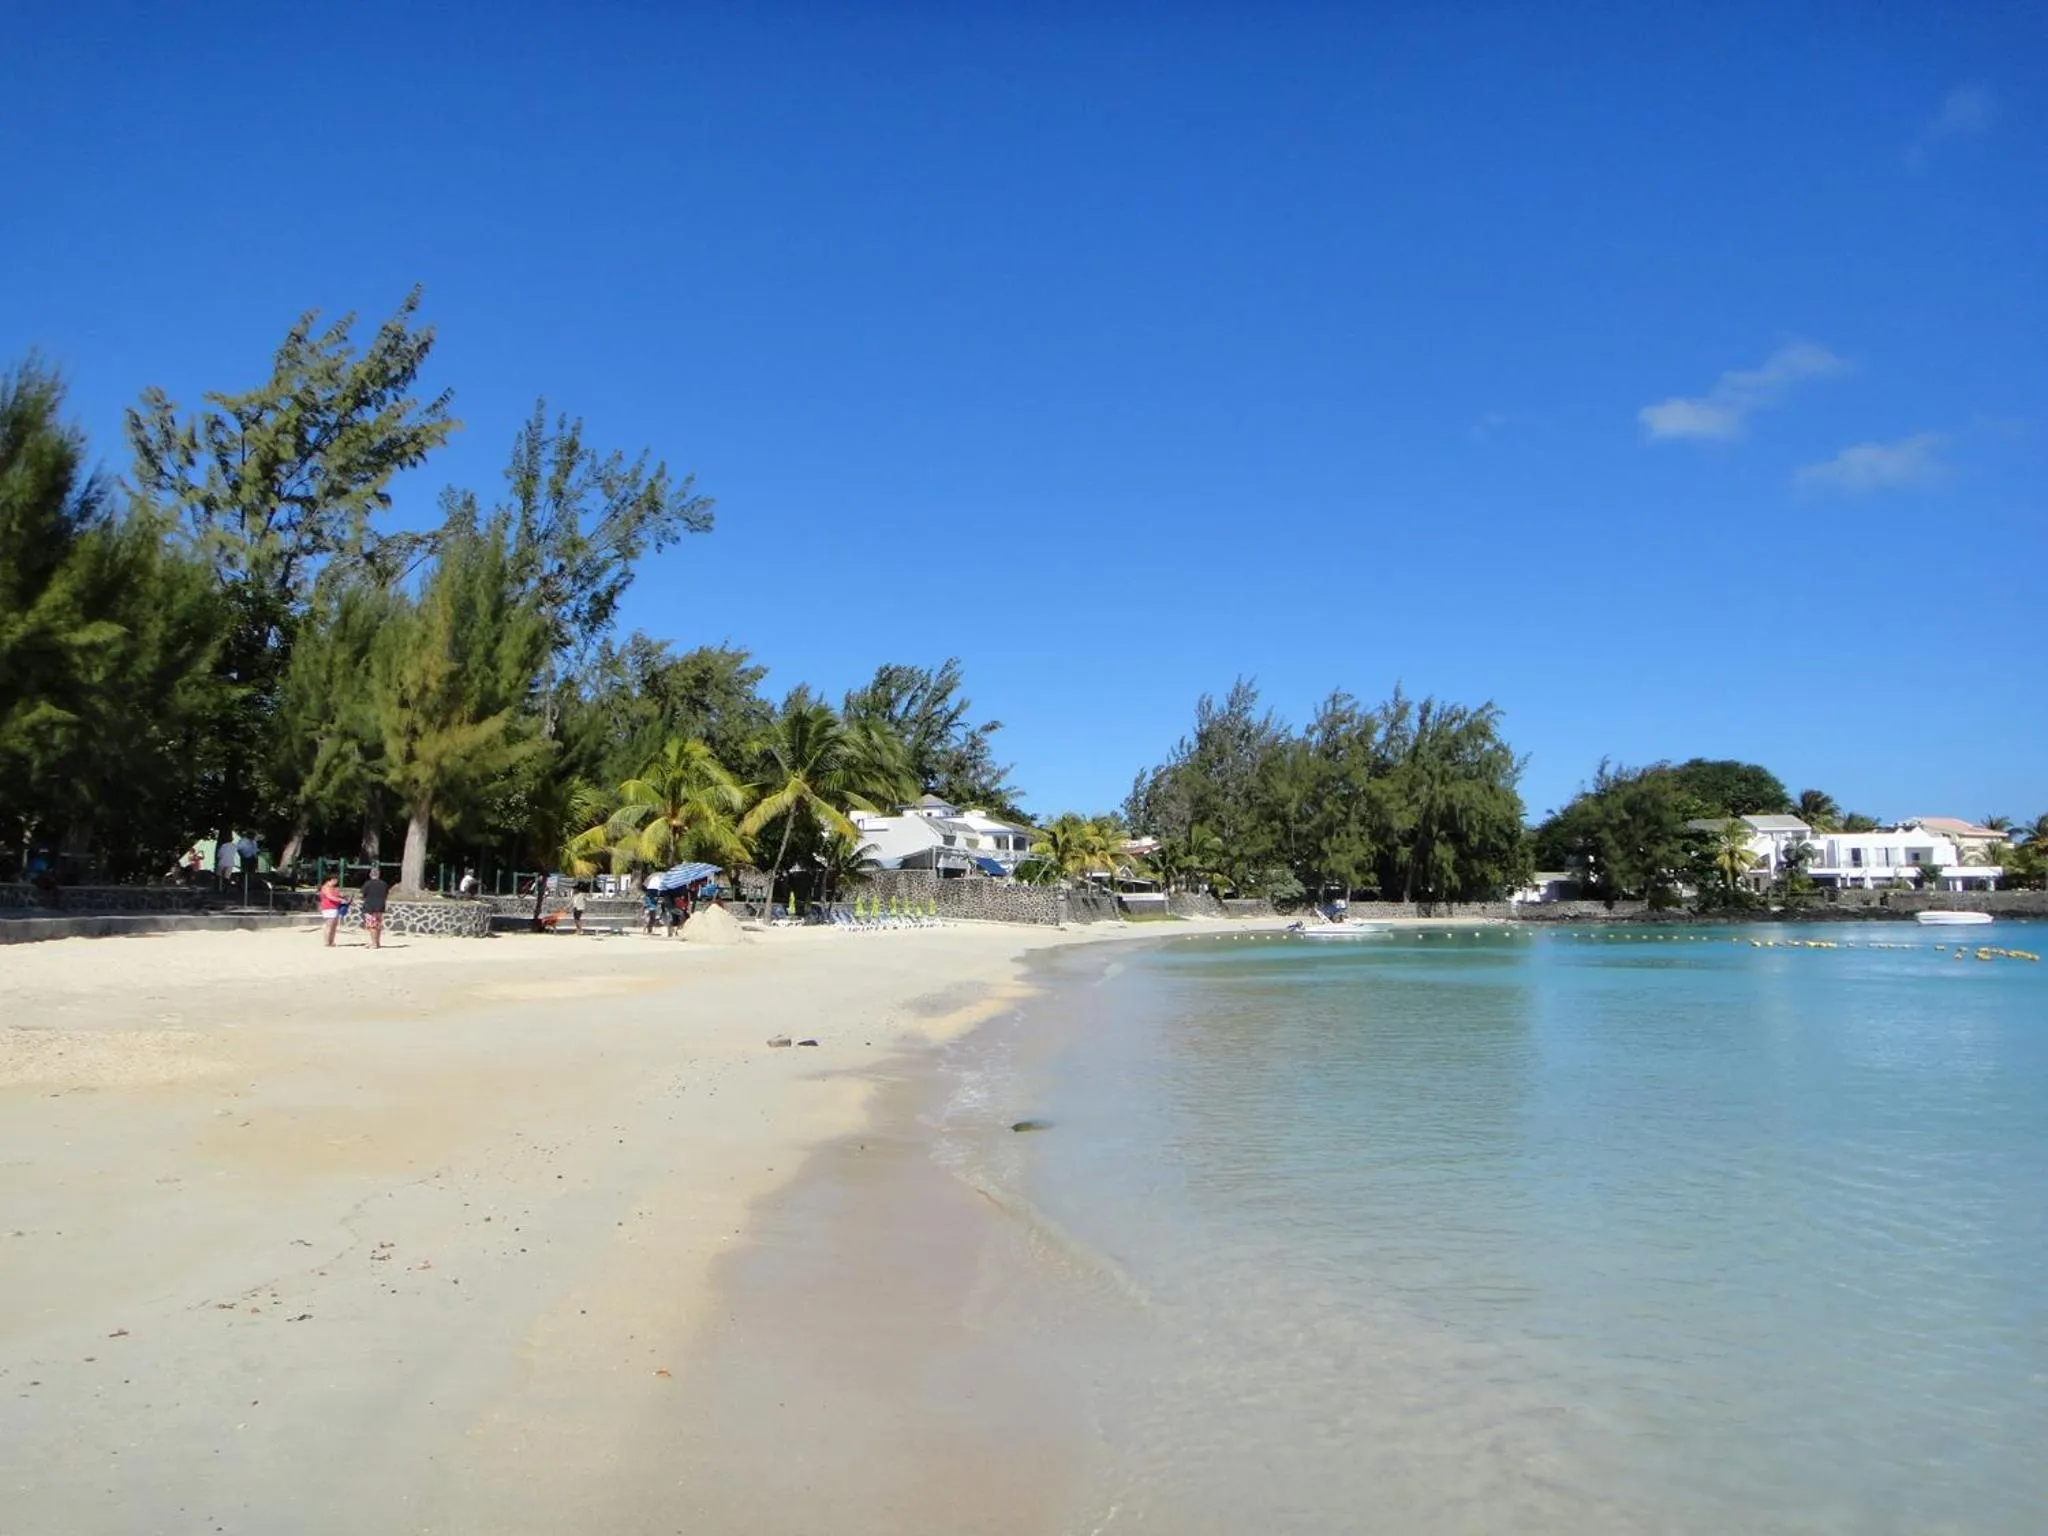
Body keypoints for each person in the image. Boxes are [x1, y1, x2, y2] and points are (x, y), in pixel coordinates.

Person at [359, 869, 391, 950]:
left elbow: (362, 895)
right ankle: (377, 942)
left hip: (370, 907)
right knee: (378, 925)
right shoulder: (384, 884)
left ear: (370, 875)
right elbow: (386, 895)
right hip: (380, 907)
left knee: (372, 926)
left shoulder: (367, 884)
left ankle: (374, 944)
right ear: (378, 875)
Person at [318, 876, 346, 948]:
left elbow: (337, 894)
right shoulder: (326, 887)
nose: (336, 882)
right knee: (329, 925)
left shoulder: (333, 888)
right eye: (335, 880)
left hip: (335, 907)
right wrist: (340, 900)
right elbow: (329, 896)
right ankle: (327, 942)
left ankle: (331, 941)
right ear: (330, 880)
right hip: (328, 907)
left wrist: (341, 895)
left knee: (334, 926)